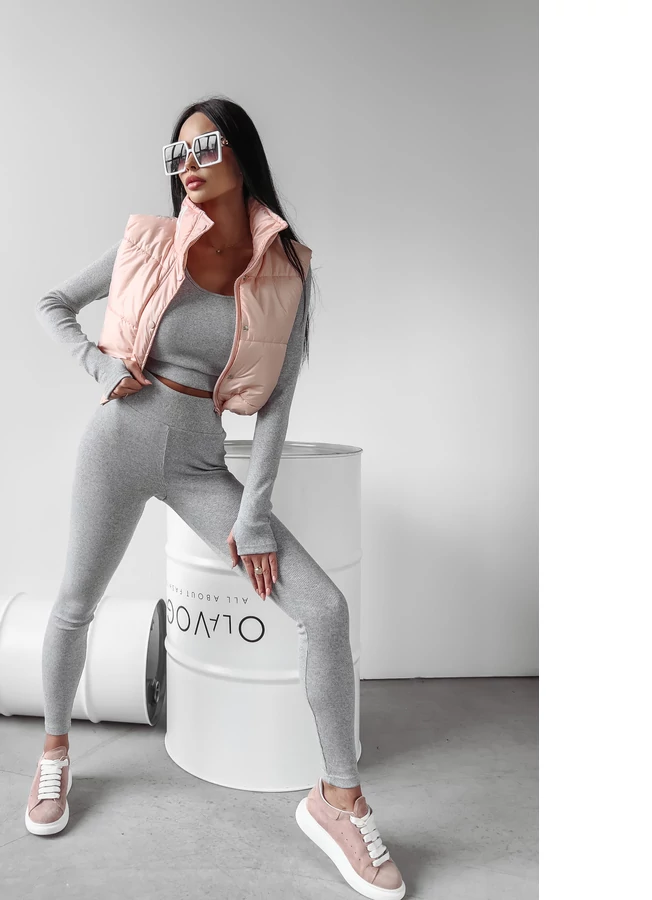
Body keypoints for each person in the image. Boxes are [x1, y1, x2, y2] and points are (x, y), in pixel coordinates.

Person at [25, 97, 406, 900]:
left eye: (203, 148)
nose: (188, 166)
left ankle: (338, 800)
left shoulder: (286, 268)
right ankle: (54, 753)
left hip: (201, 464)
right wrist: (99, 367)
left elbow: (276, 404)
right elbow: (53, 303)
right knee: (74, 606)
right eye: (177, 154)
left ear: (240, 154)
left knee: (324, 610)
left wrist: (255, 514)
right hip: (117, 445)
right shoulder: (150, 242)